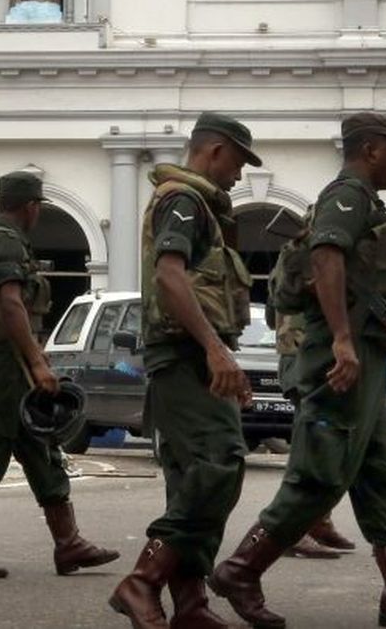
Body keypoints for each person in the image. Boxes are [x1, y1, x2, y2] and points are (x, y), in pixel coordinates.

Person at [209, 113, 386, 628]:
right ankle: (241, 568)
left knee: (381, 475)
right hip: (341, 362)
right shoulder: (347, 196)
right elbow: (326, 257)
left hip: (366, 362)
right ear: (369, 150)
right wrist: (343, 340)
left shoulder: (364, 201)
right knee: (319, 474)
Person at [109, 113, 259, 629]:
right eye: (238, 161)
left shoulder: (199, 205)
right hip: (185, 356)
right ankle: (143, 580)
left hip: (190, 355)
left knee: (193, 475)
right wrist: (215, 350)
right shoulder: (185, 201)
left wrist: (222, 354)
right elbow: (169, 276)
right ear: (215, 151)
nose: (239, 174)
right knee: (219, 466)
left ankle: (190, 602)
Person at [0, 170, 117, 579]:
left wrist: (36, 360)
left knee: (40, 447)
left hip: (12, 361)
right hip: (5, 364)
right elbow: (11, 303)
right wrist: (36, 362)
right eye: (38, 207)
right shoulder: (5, 242)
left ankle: (68, 543)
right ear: (30, 206)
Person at [269, 311, 355, 562]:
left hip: (315, 353)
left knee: (329, 448)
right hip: (305, 355)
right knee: (311, 449)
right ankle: (293, 530)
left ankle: (317, 522)